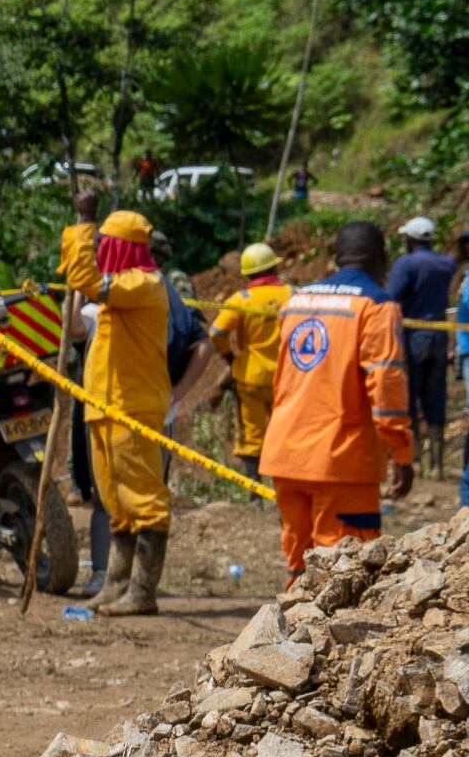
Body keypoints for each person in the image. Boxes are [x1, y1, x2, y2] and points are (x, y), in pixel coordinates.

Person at [262, 222, 414, 578]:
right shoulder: (376, 306)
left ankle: (291, 633)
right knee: (344, 572)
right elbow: (386, 382)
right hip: (341, 460)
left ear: (335, 258)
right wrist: (402, 452)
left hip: (285, 455)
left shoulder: (296, 301)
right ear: (383, 260)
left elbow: (282, 375)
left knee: (300, 568)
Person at [73, 208, 195, 618]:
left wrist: (80, 224)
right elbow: (81, 282)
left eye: (105, 244)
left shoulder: (142, 283)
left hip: (134, 407)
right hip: (104, 406)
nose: (101, 251)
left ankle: (143, 591)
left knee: (144, 500)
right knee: (115, 502)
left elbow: (86, 279)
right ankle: (116, 585)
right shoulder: (120, 289)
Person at [182, 241, 288, 478]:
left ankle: (255, 492)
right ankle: (288, 484)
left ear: (248, 272)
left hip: (250, 377)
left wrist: (229, 356)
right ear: (274, 268)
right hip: (286, 378)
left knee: (252, 436)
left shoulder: (242, 299)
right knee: (287, 431)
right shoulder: (293, 295)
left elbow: (217, 332)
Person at [391, 214, 454, 490]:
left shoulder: (406, 263)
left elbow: (391, 297)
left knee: (410, 396)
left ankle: (414, 459)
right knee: (436, 395)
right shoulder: (446, 263)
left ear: (411, 239)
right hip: (440, 336)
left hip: (414, 335)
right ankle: (438, 465)